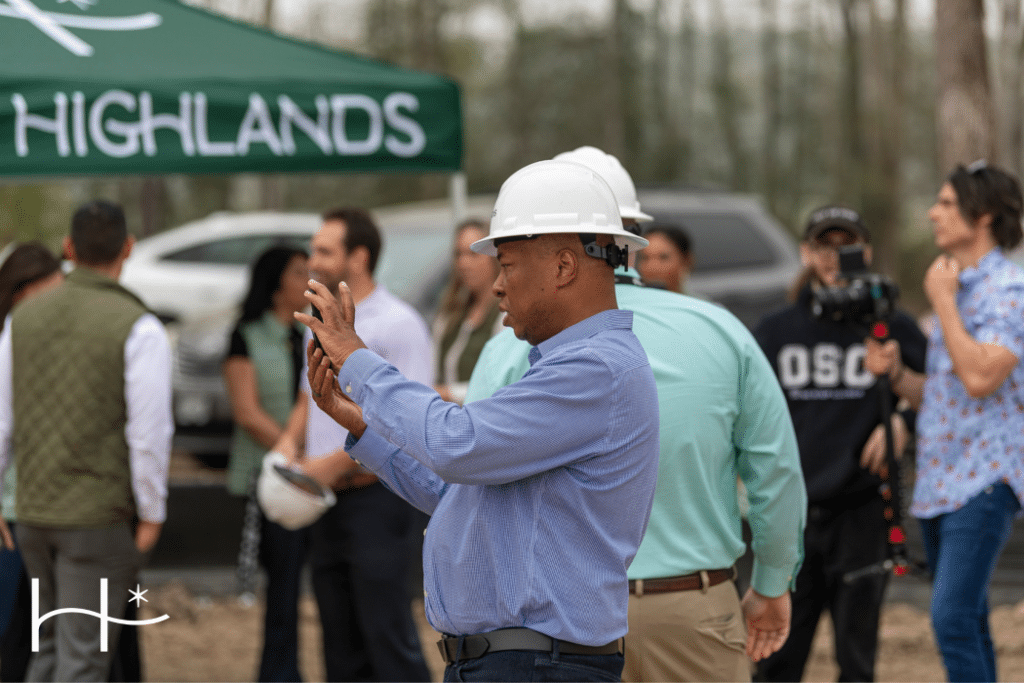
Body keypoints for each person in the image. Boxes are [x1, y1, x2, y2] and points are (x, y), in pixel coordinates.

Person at [300, 159, 661, 682]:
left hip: (537, 666)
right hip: (523, 662)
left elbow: (456, 445)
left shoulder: (596, 369)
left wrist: (357, 360)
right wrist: (360, 425)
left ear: (563, 266)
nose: (496, 286)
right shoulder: (575, 367)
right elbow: (460, 495)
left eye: (507, 265)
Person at [464, 147, 805, 682]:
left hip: (560, 624)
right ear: (632, 238)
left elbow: (471, 477)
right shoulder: (720, 331)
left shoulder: (509, 345)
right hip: (691, 612)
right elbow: (775, 470)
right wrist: (772, 583)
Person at [0, 200, 173, 682]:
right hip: (97, 517)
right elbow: (149, 435)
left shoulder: (22, 319)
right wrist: (152, 513)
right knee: (82, 660)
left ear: (68, 248)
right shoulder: (139, 326)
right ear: (129, 247)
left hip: (33, 513)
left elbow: (2, 420)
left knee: (48, 648)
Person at [753, 206, 927, 682]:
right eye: (824, 246)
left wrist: (902, 419)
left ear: (865, 252)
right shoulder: (776, 330)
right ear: (806, 253)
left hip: (864, 508)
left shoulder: (892, 324)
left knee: (856, 656)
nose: (835, 257)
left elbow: (942, 395)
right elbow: (747, 408)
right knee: (777, 656)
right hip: (792, 511)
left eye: (847, 245)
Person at [865, 162, 1024, 683]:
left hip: (984, 480)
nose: (933, 213)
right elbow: (944, 395)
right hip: (940, 481)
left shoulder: (1010, 289)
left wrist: (942, 303)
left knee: (950, 619)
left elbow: (980, 378)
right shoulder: (958, 287)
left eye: (947, 203)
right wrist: (897, 376)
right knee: (969, 620)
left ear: (985, 215)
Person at [271, 207, 433, 683]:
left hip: (381, 499)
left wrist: (333, 464)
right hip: (324, 501)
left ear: (358, 258)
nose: (312, 260)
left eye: (325, 250)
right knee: (339, 644)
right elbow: (308, 397)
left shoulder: (400, 324)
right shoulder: (321, 322)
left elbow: (414, 422)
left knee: (387, 637)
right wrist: (285, 448)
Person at [222, 246, 311, 682]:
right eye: (299, 273)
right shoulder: (246, 336)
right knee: (282, 586)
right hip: (269, 477)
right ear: (276, 283)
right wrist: (290, 451)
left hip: (311, 475)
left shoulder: (308, 334)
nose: (308, 280)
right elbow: (247, 412)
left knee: (302, 586)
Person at [0, 243, 63, 683]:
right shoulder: (11, 340)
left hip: (36, 507)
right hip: (11, 509)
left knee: (31, 633)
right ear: (20, 291)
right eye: (50, 291)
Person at [432, 218, 502, 404]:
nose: (463, 263)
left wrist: (448, 394)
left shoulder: (505, 315)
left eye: (473, 254)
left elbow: (499, 384)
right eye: (458, 254)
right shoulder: (450, 313)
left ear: (494, 256)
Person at [636, 222, 695, 293]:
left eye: (663, 257)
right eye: (645, 258)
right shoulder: (629, 299)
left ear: (686, 260)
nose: (652, 267)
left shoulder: (697, 300)